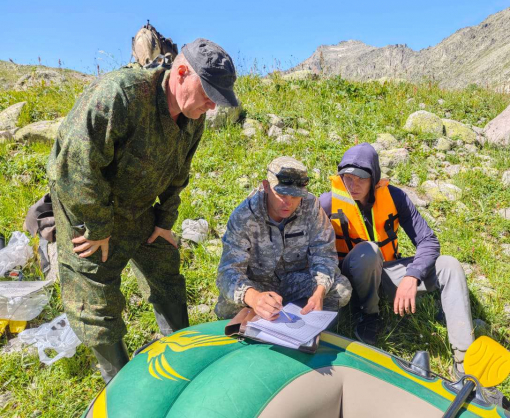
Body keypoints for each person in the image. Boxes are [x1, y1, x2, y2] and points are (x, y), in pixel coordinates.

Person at [46, 38, 238, 383]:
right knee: (96, 298)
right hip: (87, 208)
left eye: (217, 99)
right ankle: (120, 385)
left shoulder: (192, 117)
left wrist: (165, 222)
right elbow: (76, 168)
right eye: (208, 93)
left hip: (136, 206)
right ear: (181, 72)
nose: (212, 106)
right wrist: (98, 227)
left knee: (165, 265)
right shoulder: (119, 95)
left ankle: (181, 354)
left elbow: (178, 174)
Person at [319, 143, 474, 376]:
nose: (353, 185)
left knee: (449, 265)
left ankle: (465, 360)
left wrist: (412, 275)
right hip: (346, 283)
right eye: (347, 178)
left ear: (374, 177)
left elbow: (429, 241)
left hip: (387, 275)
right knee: (368, 251)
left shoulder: (395, 197)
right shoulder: (327, 203)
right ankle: (368, 315)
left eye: (361, 178)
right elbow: (312, 249)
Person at [215, 157, 352, 321]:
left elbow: (324, 255)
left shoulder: (311, 207)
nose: (288, 203)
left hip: (295, 282)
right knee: (226, 308)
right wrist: (254, 298)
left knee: (341, 290)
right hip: (259, 286)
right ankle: (268, 317)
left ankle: (310, 322)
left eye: (296, 196)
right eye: (281, 194)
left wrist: (319, 292)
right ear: (266, 186)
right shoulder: (244, 216)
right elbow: (227, 271)